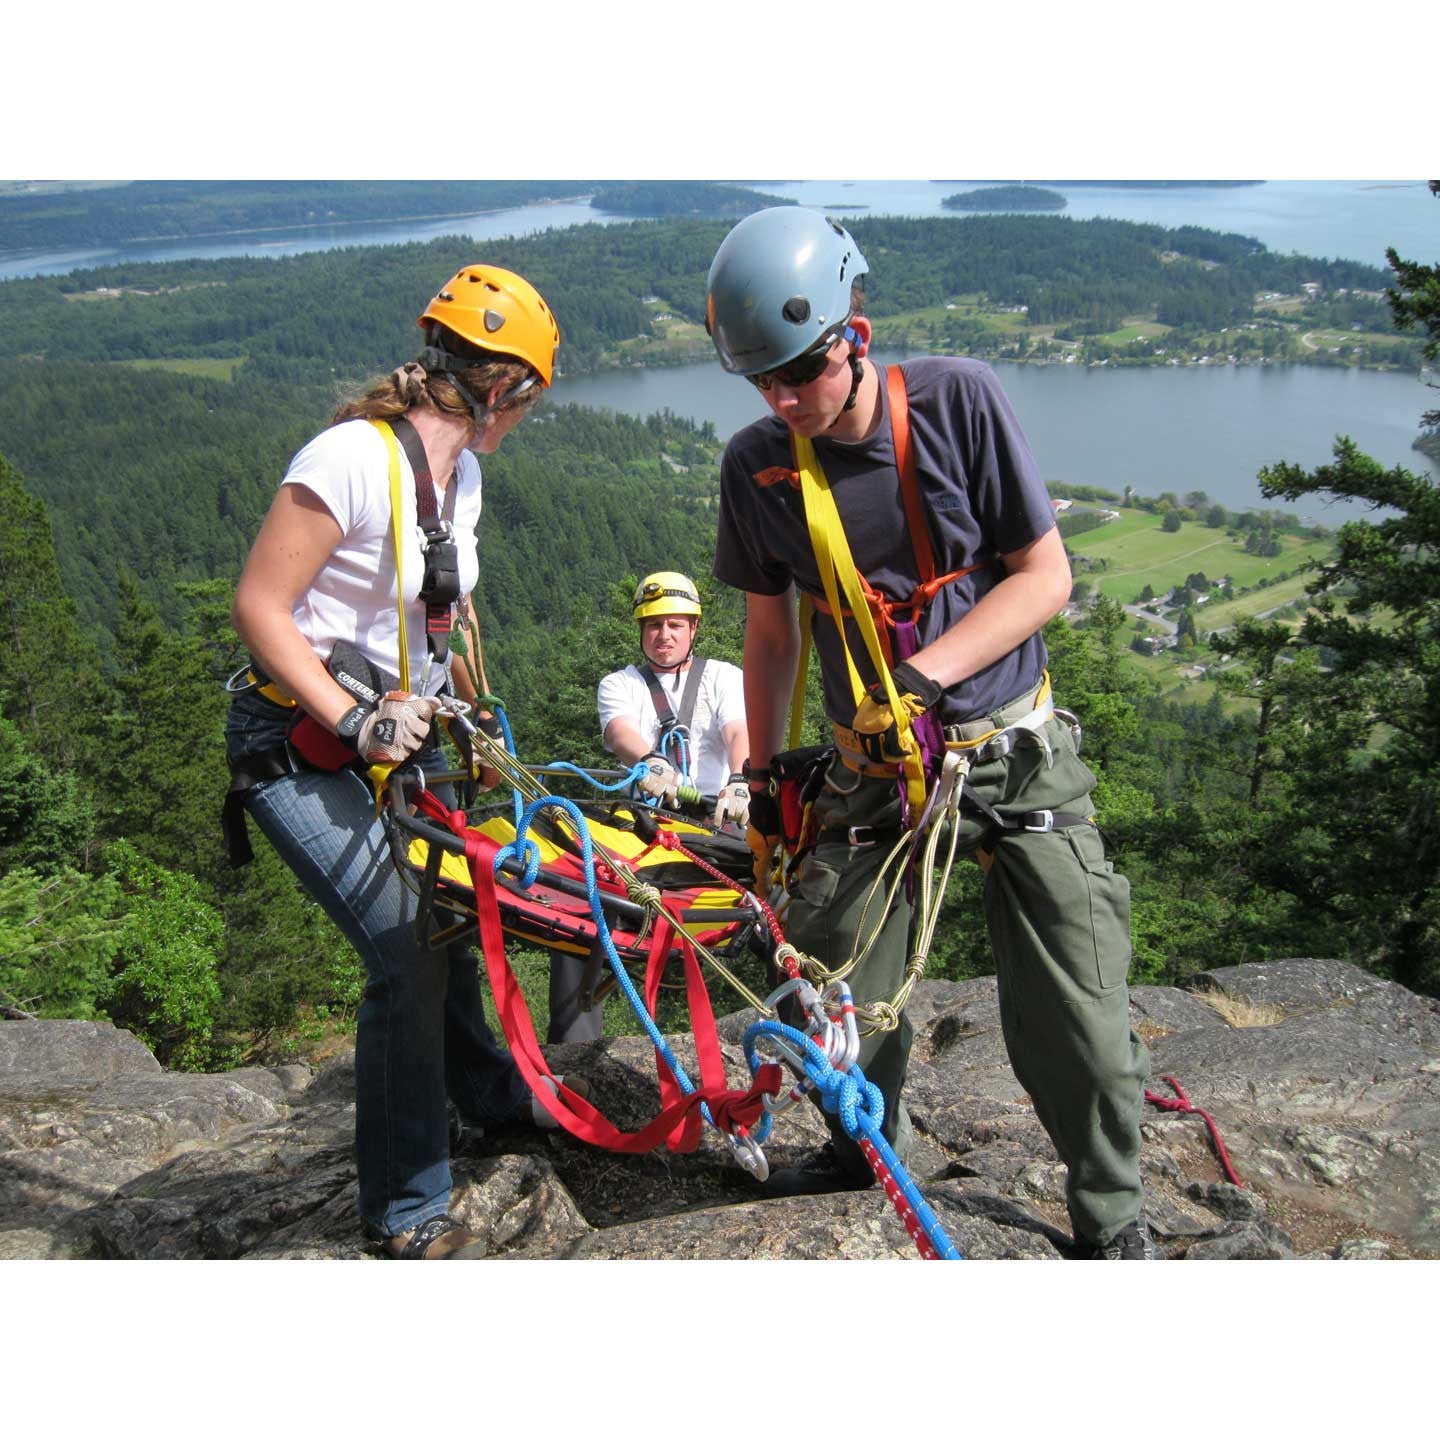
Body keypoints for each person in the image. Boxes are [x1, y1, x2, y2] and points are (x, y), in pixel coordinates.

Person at [705, 207, 1153, 1258]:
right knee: (837, 991)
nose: (781, 399)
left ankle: (1112, 1213)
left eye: (798, 373)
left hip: (1005, 742)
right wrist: (769, 775)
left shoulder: (958, 402)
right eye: (759, 382)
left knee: (1076, 1007)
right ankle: (871, 1150)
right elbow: (770, 631)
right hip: (872, 762)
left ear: (853, 331)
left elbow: (1045, 579)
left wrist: (916, 677)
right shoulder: (760, 465)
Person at [225, 263, 584, 1259]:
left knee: (452, 912)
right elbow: (260, 605)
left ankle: (491, 1096)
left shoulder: (459, 474)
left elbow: (437, 602)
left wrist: (461, 692)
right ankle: (407, 1203)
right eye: (530, 395)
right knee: (404, 946)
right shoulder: (345, 457)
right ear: (507, 384)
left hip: (400, 733)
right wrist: (351, 719)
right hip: (298, 745)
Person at [596, 570, 750, 831]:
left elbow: (737, 732)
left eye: (675, 625)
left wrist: (739, 779)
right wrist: (649, 759)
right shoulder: (619, 683)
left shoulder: (723, 676)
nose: (664, 635)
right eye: (655, 625)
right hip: (649, 819)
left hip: (717, 818)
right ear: (641, 629)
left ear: (693, 628)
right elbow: (619, 732)